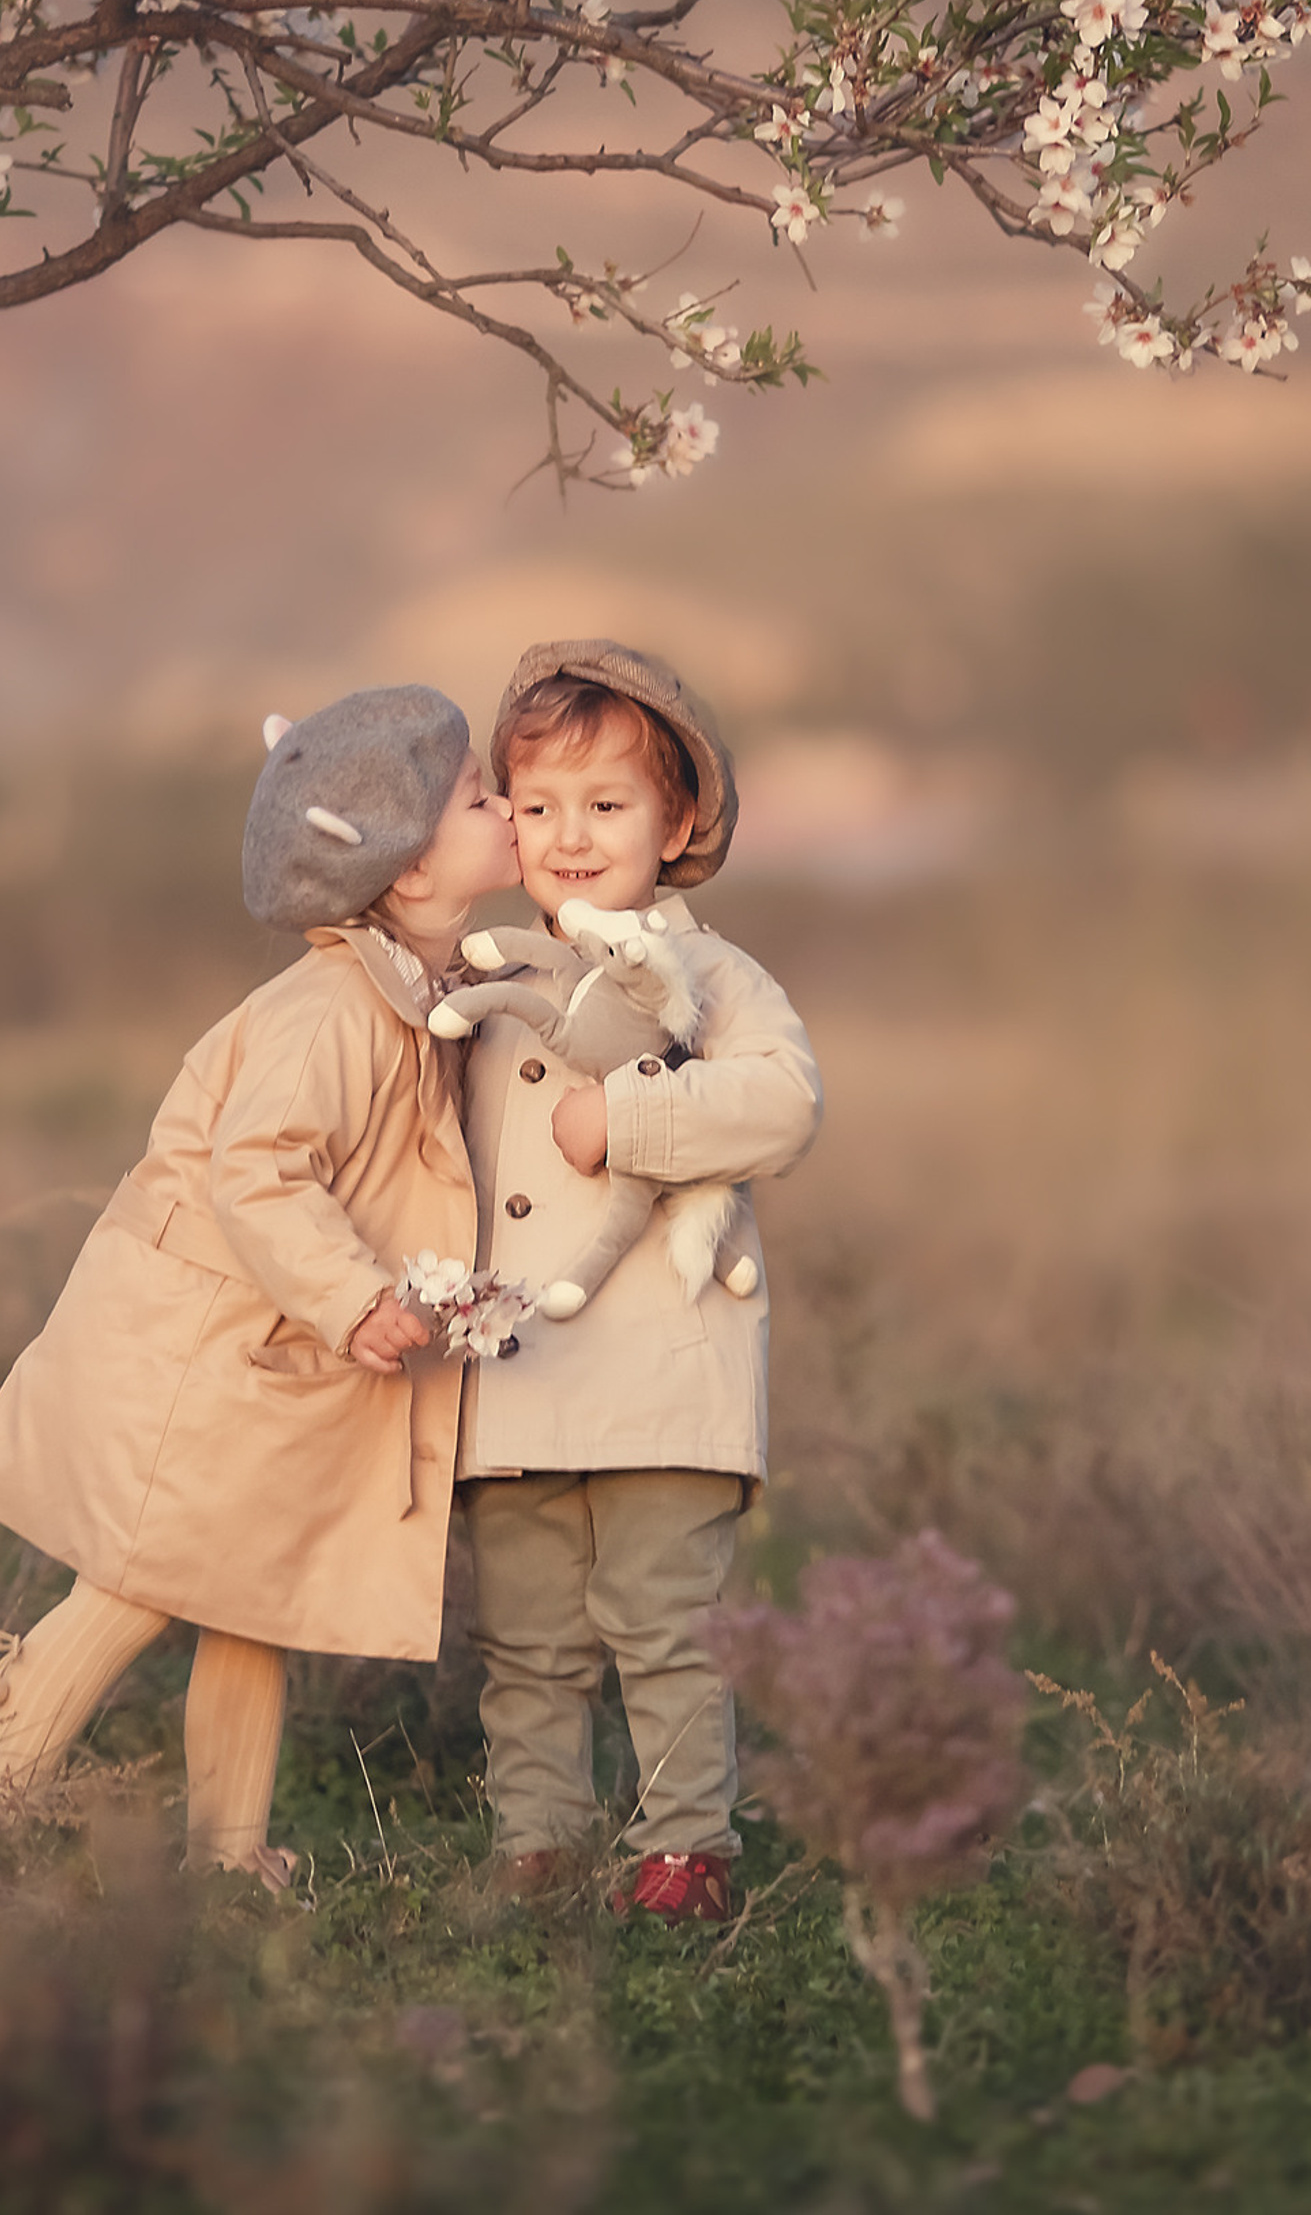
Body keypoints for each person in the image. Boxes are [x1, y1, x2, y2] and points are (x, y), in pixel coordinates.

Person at [0, 684, 521, 1886]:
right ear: (407, 872)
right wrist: (358, 1297)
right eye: (479, 796)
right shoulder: (333, 1012)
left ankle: (227, 1852)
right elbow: (254, 1172)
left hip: (277, 1357)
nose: (508, 806)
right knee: (145, 1577)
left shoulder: (410, 998)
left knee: (256, 1597)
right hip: (218, 1348)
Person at [455, 639, 823, 1920]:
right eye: (538, 803)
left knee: (663, 1626)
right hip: (514, 1373)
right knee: (531, 1642)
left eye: (606, 805)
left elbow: (781, 1104)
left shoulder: (706, 972)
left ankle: (684, 1851)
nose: (569, 835)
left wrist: (628, 1123)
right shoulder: (485, 974)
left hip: (667, 1368)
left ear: (676, 824)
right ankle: (538, 1846)